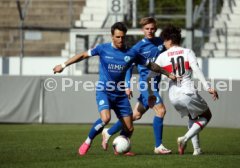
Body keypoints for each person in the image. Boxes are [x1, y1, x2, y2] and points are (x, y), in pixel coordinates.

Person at [53, 22, 175, 156]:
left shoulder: (132, 52)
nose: (120, 40)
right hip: (104, 91)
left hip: (120, 95)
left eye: (123, 37)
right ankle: (88, 141)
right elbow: (82, 55)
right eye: (117, 37)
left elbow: (151, 65)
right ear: (112, 36)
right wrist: (63, 65)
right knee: (106, 118)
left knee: (129, 128)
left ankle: (119, 148)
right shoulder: (102, 49)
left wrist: (168, 73)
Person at [101, 17, 172, 154]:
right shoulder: (137, 48)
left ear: (156, 29)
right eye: (147, 29)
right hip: (146, 85)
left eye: (152, 28)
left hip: (155, 84)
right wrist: (127, 85)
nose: (150, 31)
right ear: (142, 30)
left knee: (134, 116)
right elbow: (127, 67)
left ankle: (110, 134)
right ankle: (158, 146)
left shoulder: (161, 43)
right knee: (161, 111)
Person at [147, 25, 219, 155]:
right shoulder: (187, 52)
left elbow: (149, 77)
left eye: (164, 40)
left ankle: (197, 150)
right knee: (207, 116)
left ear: (169, 40)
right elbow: (196, 70)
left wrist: (151, 94)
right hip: (188, 92)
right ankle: (184, 138)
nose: (163, 44)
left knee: (193, 117)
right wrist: (208, 87)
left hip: (173, 97)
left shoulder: (162, 56)